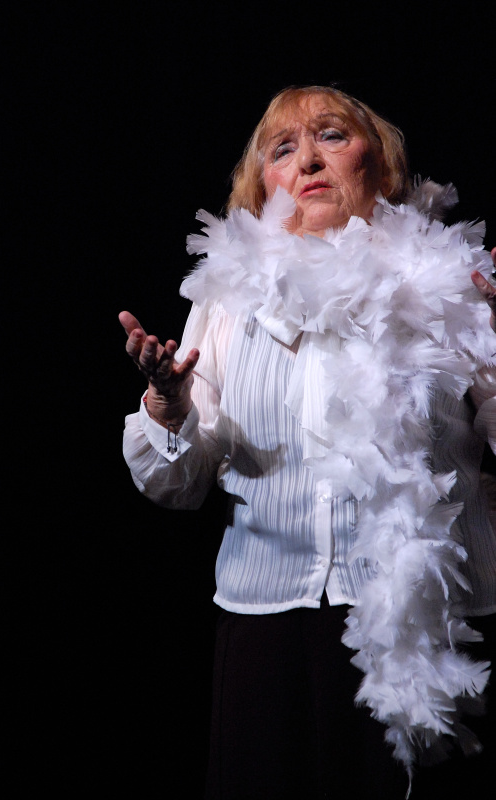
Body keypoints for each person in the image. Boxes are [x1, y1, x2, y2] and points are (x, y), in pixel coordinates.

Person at [119, 85, 496, 799]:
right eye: (283, 148)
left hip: (431, 631)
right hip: (268, 629)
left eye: (331, 135)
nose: (308, 161)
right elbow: (181, 484)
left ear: (380, 164)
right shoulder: (225, 299)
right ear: (263, 184)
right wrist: (168, 407)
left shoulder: (454, 282)